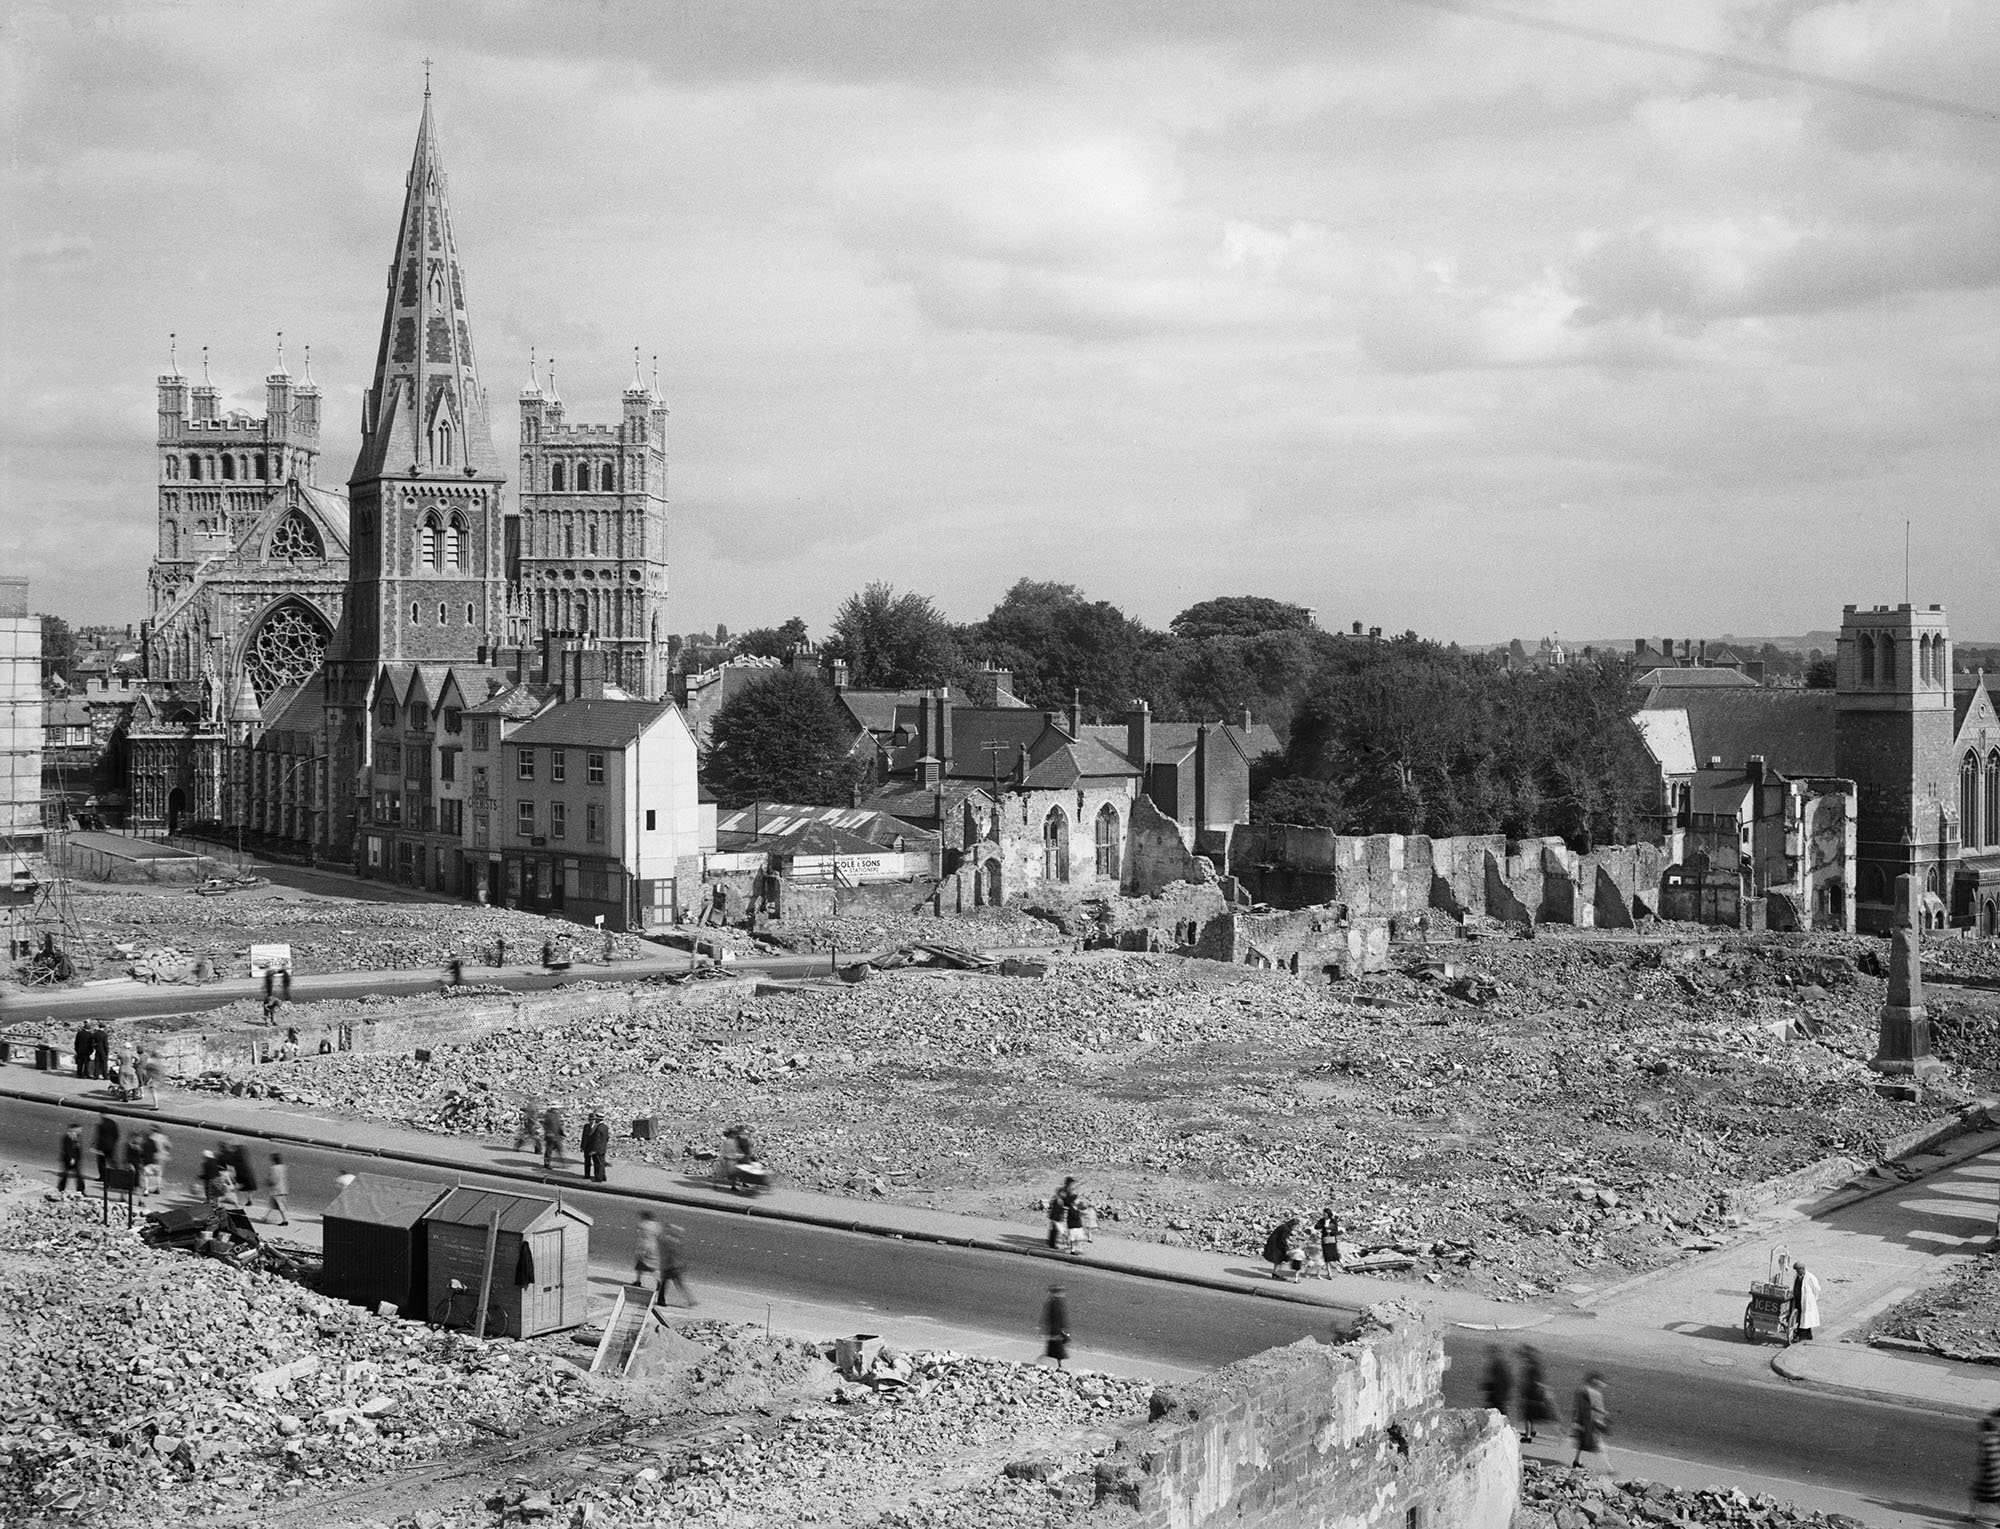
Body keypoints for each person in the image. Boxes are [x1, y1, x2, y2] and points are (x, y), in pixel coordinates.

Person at [1570, 1372, 1611, 1471]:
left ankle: (1577, 1461)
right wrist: (1605, 1413)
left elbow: (1578, 1407)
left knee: (1582, 1442)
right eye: (1602, 1382)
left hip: (1581, 1421)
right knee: (1599, 1445)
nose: (1604, 1385)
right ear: (1595, 1381)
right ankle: (1609, 1468)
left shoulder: (1580, 1390)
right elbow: (1595, 1407)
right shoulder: (1594, 1393)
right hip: (1591, 1423)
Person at [653, 1217, 697, 1307]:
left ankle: (661, 1300)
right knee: (678, 1283)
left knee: (665, 1284)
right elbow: (680, 1233)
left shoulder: (663, 1239)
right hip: (674, 1265)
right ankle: (690, 1299)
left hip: (668, 1266)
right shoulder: (672, 1240)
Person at [1518, 1345, 1557, 1443]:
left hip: (1531, 1394)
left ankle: (1528, 1436)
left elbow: (1531, 1381)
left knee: (1527, 1415)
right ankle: (1532, 1430)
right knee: (1531, 1415)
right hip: (1535, 1395)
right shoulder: (1536, 1365)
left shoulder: (1531, 1366)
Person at [1972, 1407, 2000, 1525]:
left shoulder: (1985, 1439)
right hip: (1996, 1470)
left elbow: (1983, 1455)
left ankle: (1971, 1515)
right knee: (1997, 1496)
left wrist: (1980, 1465)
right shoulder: (1995, 1436)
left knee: (1977, 1492)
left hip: (1989, 1470)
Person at [1263, 1216, 1305, 1281]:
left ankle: (1275, 1272)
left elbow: (1285, 1237)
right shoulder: (1285, 1229)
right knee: (1279, 1258)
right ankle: (1276, 1273)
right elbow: (1283, 1239)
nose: (1295, 1228)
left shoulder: (1285, 1227)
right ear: (1293, 1225)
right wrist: (1287, 1248)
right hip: (1276, 1244)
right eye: (1296, 1226)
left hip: (1275, 1243)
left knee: (1278, 1258)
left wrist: (1290, 1242)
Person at [1791, 1261, 1822, 1342]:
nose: (1797, 1272)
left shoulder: (1810, 1277)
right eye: (1796, 1270)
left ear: (1802, 1269)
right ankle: (1808, 1335)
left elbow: (1816, 1289)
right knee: (1802, 1318)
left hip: (1807, 1301)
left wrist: (1812, 1298)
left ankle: (1801, 1336)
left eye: (1798, 1270)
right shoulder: (1796, 1276)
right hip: (1798, 1300)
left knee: (1805, 1318)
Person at [1042, 1284, 1071, 1369]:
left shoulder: (1054, 1302)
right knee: (1057, 1351)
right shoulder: (1055, 1303)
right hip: (1056, 1331)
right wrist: (1057, 1332)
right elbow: (1056, 1319)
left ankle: (1057, 1365)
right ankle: (1057, 1366)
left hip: (1056, 1331)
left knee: (1056, 1350)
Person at [1481, 1346, 1513, 1419]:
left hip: (1497, 1395)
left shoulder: (1498, 1365)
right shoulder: (1501, 1365)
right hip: (1499, 1395)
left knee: (1491, 1412)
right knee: (1498, 1412)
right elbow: (1507, 1381)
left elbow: (1498, 1381)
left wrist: (1487, 1386)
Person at [139, 1126, 170, 1197]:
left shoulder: (151, 1137)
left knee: (147, 1174)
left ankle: (146, 1189)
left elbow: (144, 1149)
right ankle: (158, 1188)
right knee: (158, 1174)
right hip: (162, 1157)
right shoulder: (163, 1137)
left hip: (152, 1158)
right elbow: (169, 1146)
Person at [582, 1110, 610, 1184]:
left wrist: (594, 1150)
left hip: (597, 1149)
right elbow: (607, 1138)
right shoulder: (605, 1127)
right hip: (602, 1148)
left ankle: (598, 1178)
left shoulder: (598, 1128)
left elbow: (597, 1140)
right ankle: (602, 1176)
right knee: (601, 1163)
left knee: (598, 1164)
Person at [1046, 1177, 1075, 1250]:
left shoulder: (1066, 1190)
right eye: (1071, 1183)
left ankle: (1053, 1242)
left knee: (1057, 1227)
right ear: (1068, 1183)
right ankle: (1052, 1243)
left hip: (1061, 1212)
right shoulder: (1063, 1191)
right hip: (1058, 1212)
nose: (1072, 1185)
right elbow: (1064, 1201)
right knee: (1056, 1228)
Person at [92, 1112, 121, 1184]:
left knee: (101, 1162)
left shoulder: (100, 1124)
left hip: (102, 1146)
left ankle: (103, 1176)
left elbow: (98, 1137)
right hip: (111, 1146)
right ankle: (118, 1174)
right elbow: (117, 1135)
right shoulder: (113, 1123)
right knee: (111, 1160)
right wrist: (113, 1143)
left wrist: (95, 1146)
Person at [57, 1123, 85, 1196]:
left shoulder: (76, 1137)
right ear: (74, 1129)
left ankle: (80, 1189)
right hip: (69, 1159)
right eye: (79, 1129)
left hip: (75, 1159)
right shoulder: (67, 1137)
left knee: (77, 1175)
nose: (80, 1131)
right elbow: (67, 1149)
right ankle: (61, 1188)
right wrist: (71, 1158)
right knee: (67, 1175)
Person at [1314, 1207, 1343, 1277]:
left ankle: (1336, 1269)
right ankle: (1329, 1272)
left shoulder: (1333, 1221)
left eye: (1325, 1213)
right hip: (1325, 1240)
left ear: (1328, 1214)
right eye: (1323, 1213)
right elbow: (1316, 1226)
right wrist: (1323, 1226)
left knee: (1333, 1256)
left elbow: (1336, 1230)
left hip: (1332, 1240)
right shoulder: (1322, 1220)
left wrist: (1331, 1231)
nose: (1324, 1215)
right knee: (1327, 1256)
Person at [264, 1151, 291, 1225]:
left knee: (279, 1206)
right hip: (283, 1188)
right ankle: (266, 1217)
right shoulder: (283, 1167)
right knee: (274, 1205)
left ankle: (285, 1220)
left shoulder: (273, 1168)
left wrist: (267, 1182)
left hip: (276, 1190)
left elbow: (273, 1179)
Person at [541, 1102, 568, 1172]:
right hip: (550, 1136)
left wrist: (562, 1133)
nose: (558, 1110)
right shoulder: (548, 1115)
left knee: (559, 1149)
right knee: (549, 1150)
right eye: (557, 1109)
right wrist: (548, 1133)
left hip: (556, 1136)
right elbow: (545, 1125)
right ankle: (547, 1163)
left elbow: (558, 1126)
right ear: (553, 1109)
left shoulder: (556, 1115)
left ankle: (563, 1162)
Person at [1065, 1188, 1088, 1255]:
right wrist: (1080, 1213)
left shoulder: (1077, 1207)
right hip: (1073, 1226)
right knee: (1073, 1238)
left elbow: (1084, 1209)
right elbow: (1075, 1216)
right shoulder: (1071, 1209)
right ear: (1073, 1201)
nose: (1078, 1201)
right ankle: (1072, 1250)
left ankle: (1077, 1248)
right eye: (1077, 1200)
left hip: (1078, 1225)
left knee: (1079, 1238)